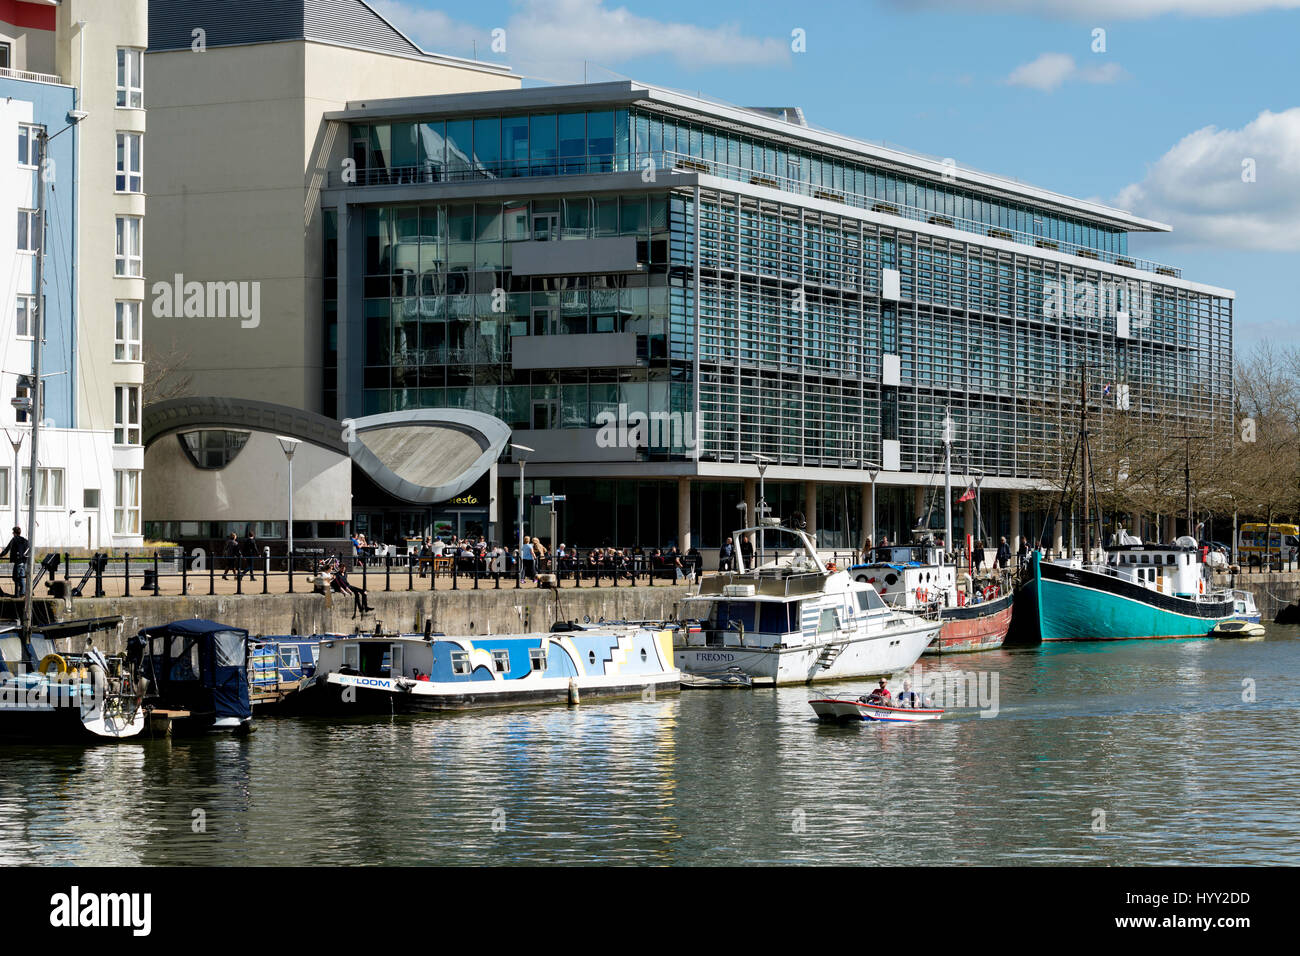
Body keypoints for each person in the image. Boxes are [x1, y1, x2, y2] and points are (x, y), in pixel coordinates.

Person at [0, 526, 29, 597]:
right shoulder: (25, 540)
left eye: (13, 532)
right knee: (21, 577)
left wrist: (1, 555)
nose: (12, 533)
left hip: (18, 561)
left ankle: (18, 594)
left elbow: (7, 549)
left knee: (15, 577)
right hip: (23, 561)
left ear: (15, 533)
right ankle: (22, 592)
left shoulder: (14, 540)